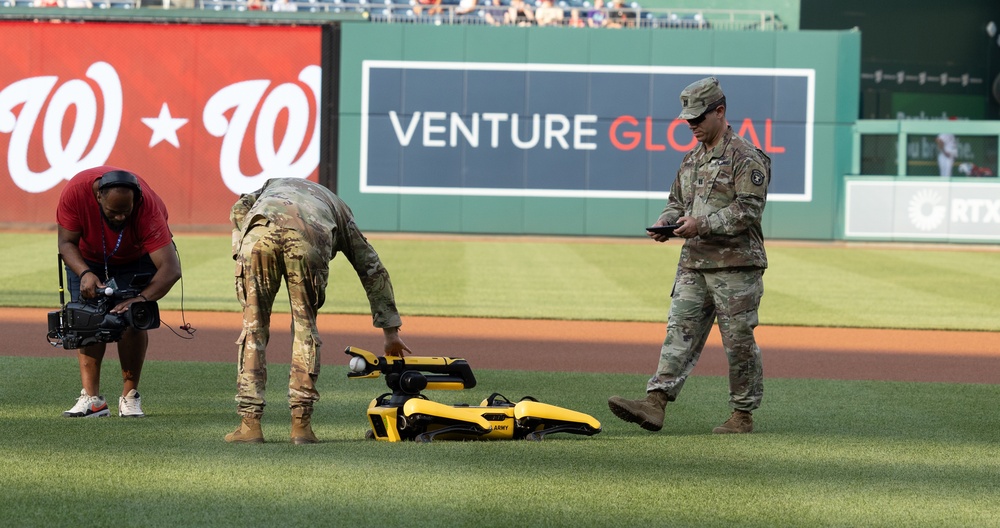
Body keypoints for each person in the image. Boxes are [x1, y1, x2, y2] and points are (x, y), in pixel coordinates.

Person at [607, 77, 771, 435]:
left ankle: (742, 415)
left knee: (738, 342)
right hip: (694, 264)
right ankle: (655, 403)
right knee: (678, 332)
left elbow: (748, 211)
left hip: (736, 267)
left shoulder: (746, 157)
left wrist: (701, 224)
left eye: (698, 118)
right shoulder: (691, 159)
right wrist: (666, 221)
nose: (692, 126)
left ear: (720, 111)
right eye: (688, 120)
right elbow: (677, 202)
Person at [226, 178, 412, 444]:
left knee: (253, 329)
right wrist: (390, 331)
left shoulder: (271, 186)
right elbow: (372, 267)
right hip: (310, 235)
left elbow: (239, 208)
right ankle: (301, 427)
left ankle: (249, 425)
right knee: (305, 329)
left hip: (258, 233)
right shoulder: (337, 207)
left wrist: (239, 252)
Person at [56, 166, 182, 418]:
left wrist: (141, 299)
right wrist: (84, 273)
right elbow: (66, 242)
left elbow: (171, 269)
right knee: (86, 320)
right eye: (114, 212)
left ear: (136, 200)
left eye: (127, 211)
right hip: (87, 258)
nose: (121, 217)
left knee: (132, 320)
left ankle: (130, 397)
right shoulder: (75, 193)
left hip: (135, 257)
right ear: (98, 197)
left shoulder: (148, 209)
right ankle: (92, 400)